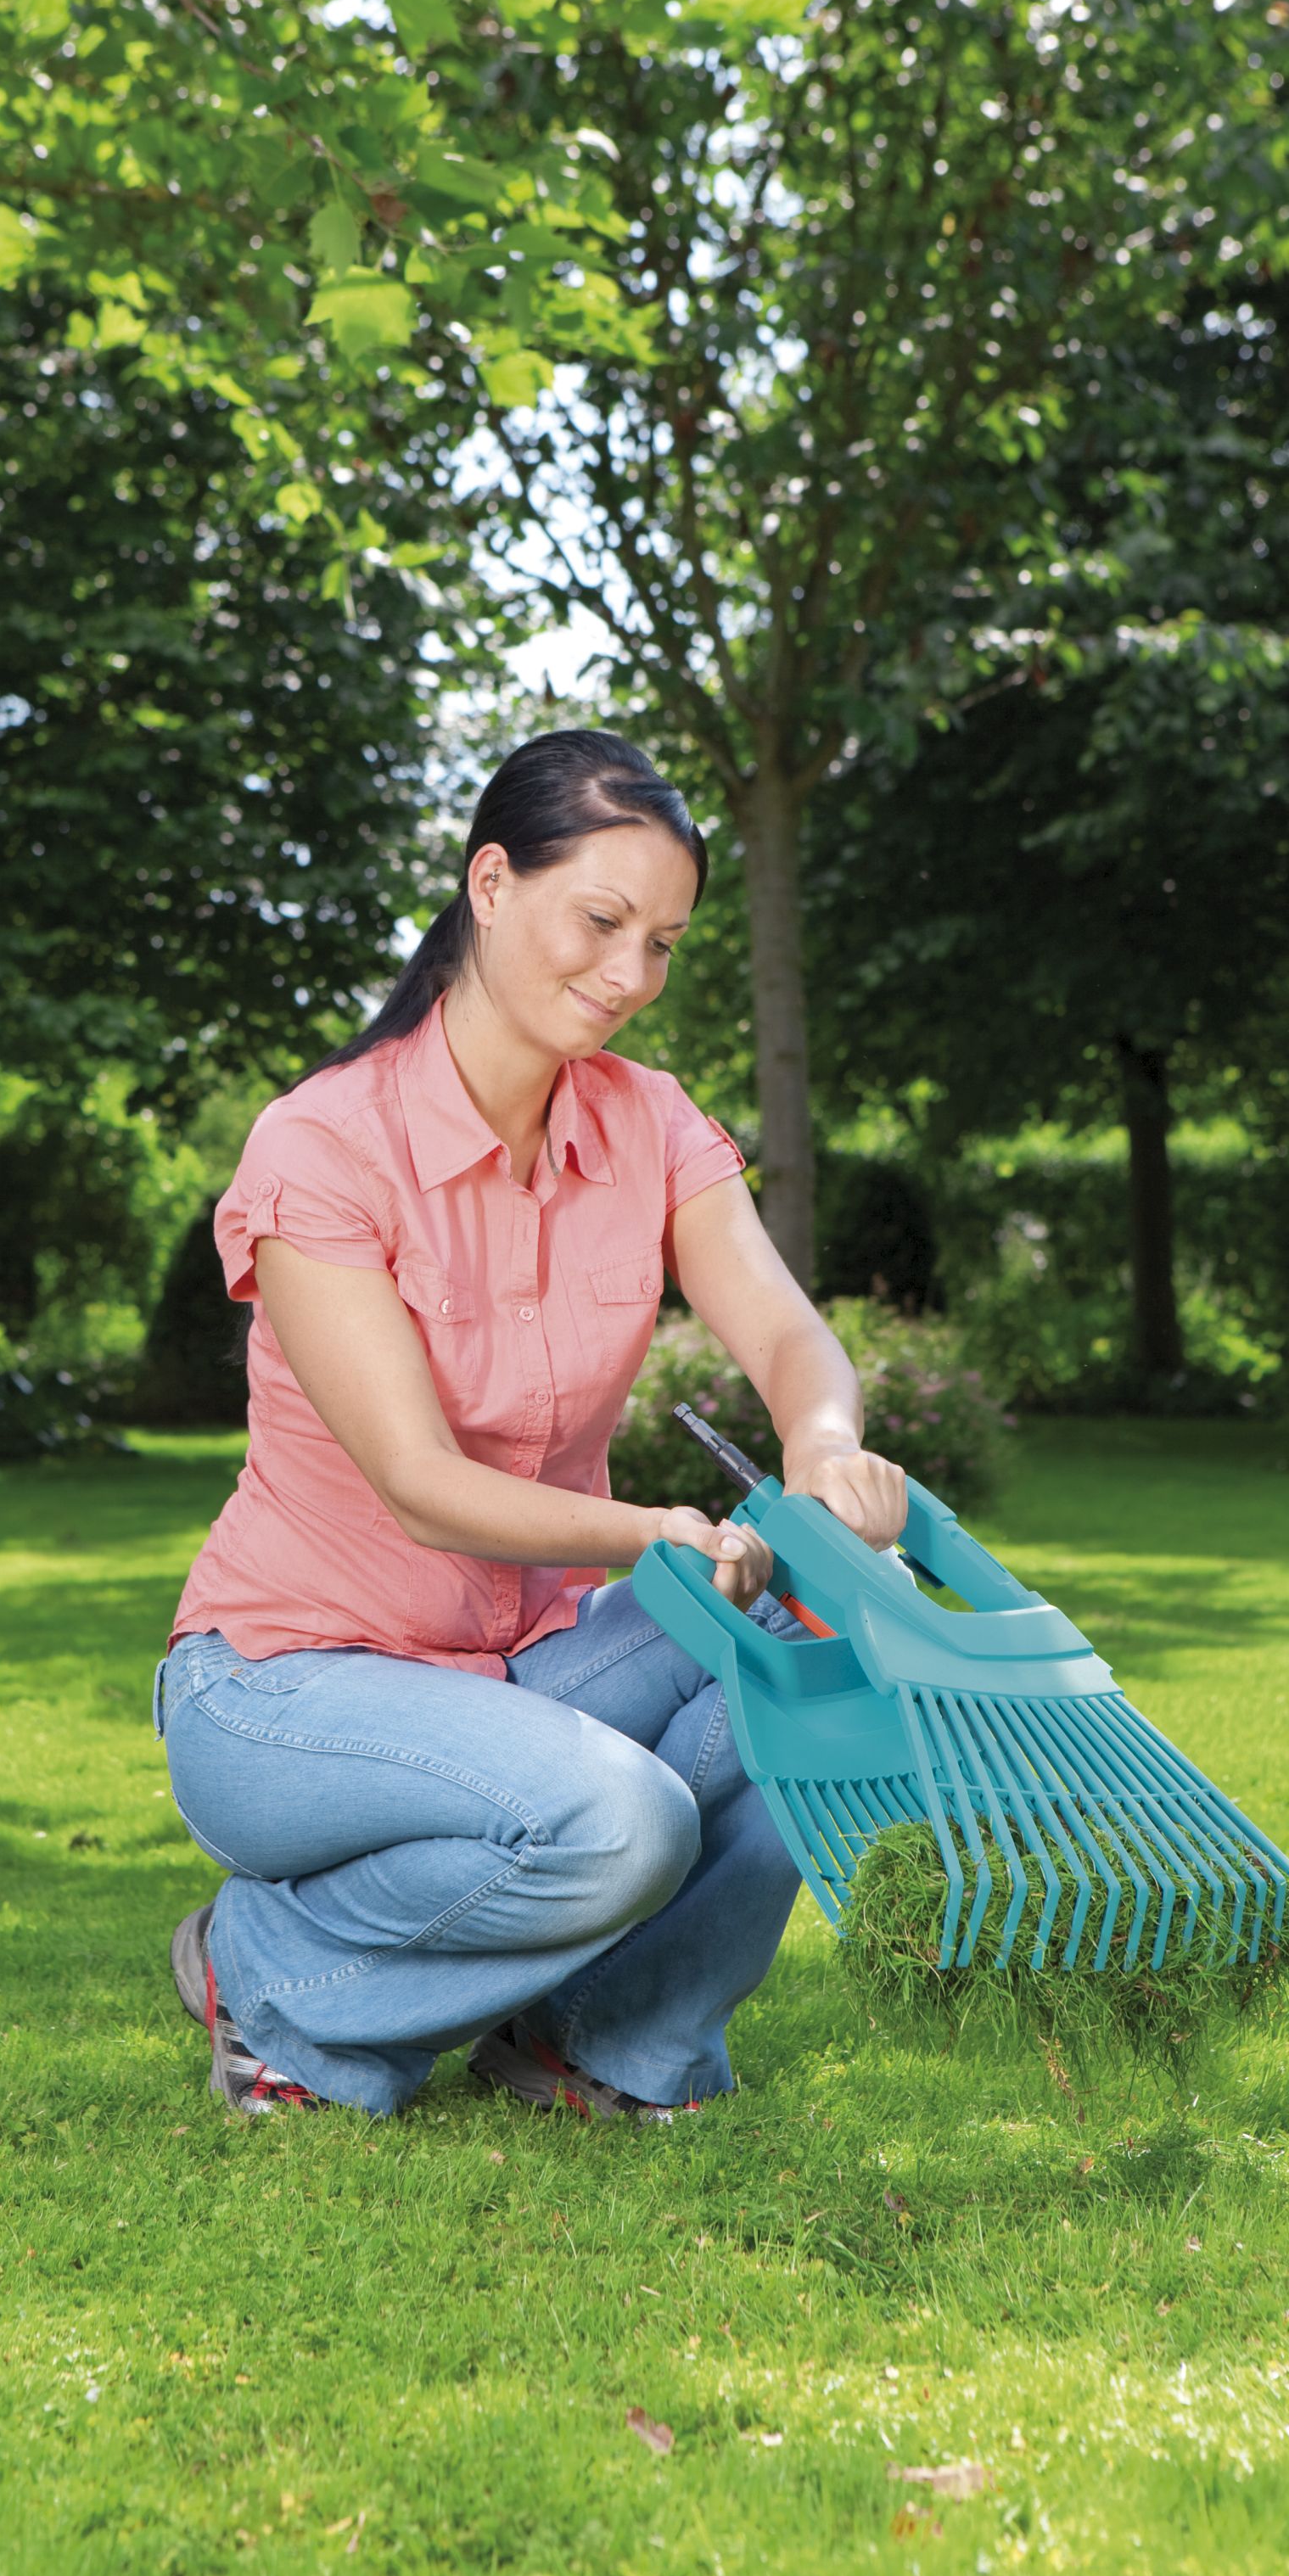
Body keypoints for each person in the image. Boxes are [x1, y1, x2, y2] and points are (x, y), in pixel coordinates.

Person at [156, 730, 907, 2118]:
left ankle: (603, 2041)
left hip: (529, 1663)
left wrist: (816, 1446)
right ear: (490, 883)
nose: (630, 978)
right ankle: (275, 1974)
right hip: (288, 1687)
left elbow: (786, 1331)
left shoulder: (651, 1123)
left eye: (664, 944)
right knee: (621, 1821)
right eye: (602, 922)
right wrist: (657, 1531)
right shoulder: (323, 1147)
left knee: (825, 1652)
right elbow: (419, 1484)